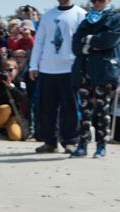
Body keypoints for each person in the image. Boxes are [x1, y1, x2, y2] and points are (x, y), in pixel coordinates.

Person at [69, 0, 120, 158]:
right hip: (84, 69)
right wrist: (93, 43)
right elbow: (75, 46)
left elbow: (108, 41)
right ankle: (82, 144)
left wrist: (87, 41)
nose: (96, 3)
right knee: (84, 109)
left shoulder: (117, 19)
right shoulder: (86, 19)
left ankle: (101, 145)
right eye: (93, 0)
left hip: (104, 70)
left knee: (102, 110)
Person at [29, 0, 86, 154]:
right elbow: (39, 42)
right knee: (47, 108)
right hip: (47, 68)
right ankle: (50, 141)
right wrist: (34, 65)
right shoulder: (47, 15)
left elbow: (84, 42)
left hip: (69, 68)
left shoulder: (81, 14)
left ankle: (70, 141)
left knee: (70, 107)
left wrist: (82, 67)